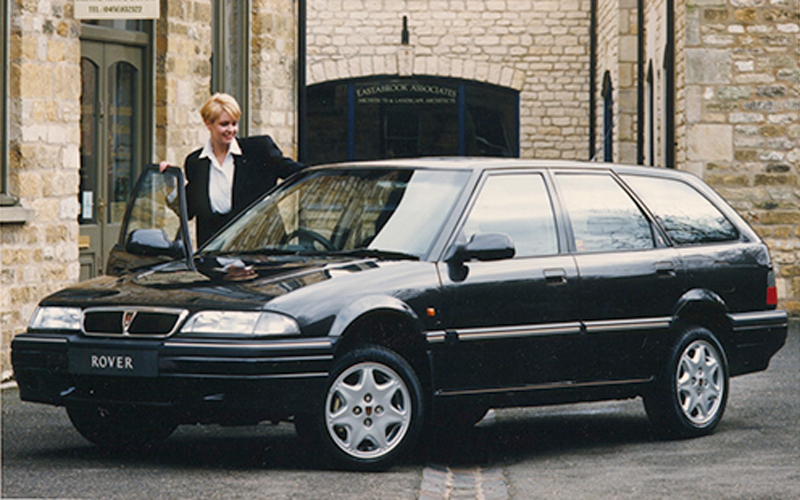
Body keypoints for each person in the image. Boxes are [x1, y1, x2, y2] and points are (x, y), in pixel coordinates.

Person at [161, 93, 304, 246]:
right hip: (216, 254)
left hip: (260, 252)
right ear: (208, 123)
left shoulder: (259, 150)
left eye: (234, 123)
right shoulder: (196, 162)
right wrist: (170, 183)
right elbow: (188, 210)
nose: (231, 130)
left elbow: (296, 172)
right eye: (224, 124)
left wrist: (327, 173)